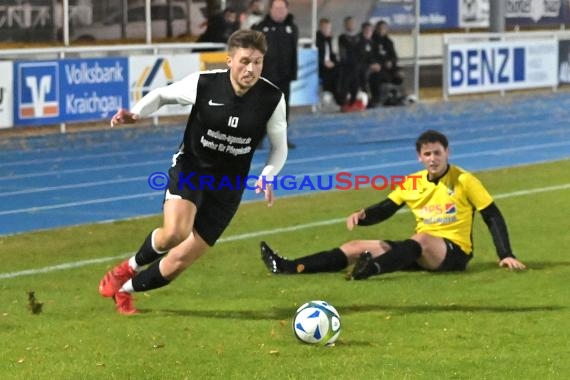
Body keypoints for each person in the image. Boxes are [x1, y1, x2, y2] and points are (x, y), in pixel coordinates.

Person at [99, 29, 288, 314]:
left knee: (179, 261)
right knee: (175, 232)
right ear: (229, 61)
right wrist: (137, 113)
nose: (251, 69)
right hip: (192, 168)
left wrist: (268, 174)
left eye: (258, 62)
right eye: (245, 61)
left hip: (228, 186)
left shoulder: (272, 98)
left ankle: (124, 291)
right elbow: (162, 95)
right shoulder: (205, 84)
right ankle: (127, 268)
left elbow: (279, 147)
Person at [260, 130, 526, 280]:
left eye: (437, 153)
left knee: (421, 238)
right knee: (355, 247)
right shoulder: (413, 182)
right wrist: (363, 216)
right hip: (418, 250)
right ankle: (289, 267)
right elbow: (387, 208)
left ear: (447, 152)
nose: (433, 159)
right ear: (419, 157)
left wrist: (505, 254)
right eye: (427, 154)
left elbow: (492, 215)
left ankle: (369, 270)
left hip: (453, 253)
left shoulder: (464, 180)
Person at [253, 0, 298, 148]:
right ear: (270, 9)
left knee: (283, 109)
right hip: (265, 77)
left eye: (282, 8)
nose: (280, 11)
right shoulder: (260, 28)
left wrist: (292, 73)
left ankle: (280, 139)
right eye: (277, 8)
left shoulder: (292, 27)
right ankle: (257, 139)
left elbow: (293, 53)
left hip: (284, 76)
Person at [337, 16, 365, 112]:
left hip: (357, 66)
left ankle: (353, 103)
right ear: (345, 25)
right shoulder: (342, 37)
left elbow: (361, 51)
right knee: (345, 85)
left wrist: (359, 63)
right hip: (347, 66)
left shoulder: (359, 37)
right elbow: (343, 53)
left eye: (352, 23)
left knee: (355, 85)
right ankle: (344, 103)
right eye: (348, 23)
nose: (350, 25)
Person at [316, 17, 341, 106]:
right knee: (335, 74)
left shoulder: (329, 40)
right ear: (320, 27)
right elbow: (316, 55)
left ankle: (341, 97)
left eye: (328, 28)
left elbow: (332, 55)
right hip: (320, 67)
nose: (327, 30)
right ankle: (338, 99)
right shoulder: (317, 39)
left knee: (343, 69)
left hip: (330, 66)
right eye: (325, 28)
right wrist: (324, 62)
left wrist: (335, 63)